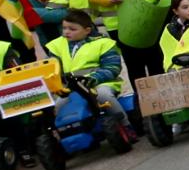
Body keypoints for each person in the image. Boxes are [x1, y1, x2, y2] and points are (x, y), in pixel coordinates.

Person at [45, 11, 129, 143]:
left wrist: (94, 78)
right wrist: (57, 84)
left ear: (87, 30)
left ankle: (126, 125)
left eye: (72, 29)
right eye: (65, 28)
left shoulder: (103, 43)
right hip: (72, 87)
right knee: (60, 105)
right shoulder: (56, 46)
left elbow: (112, 67)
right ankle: (67, 136)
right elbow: (51, 69)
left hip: (99, 83)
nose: (67, 32)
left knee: (103, 95)